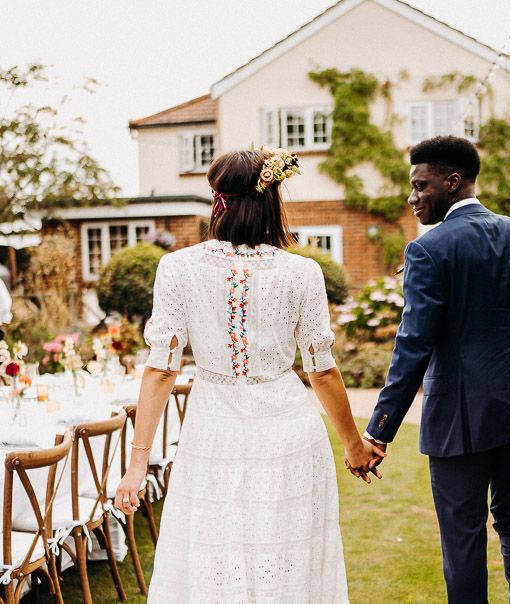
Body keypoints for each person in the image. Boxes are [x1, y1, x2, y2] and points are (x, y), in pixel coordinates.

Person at [115, 148, 384, 603]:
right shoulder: (302, 272)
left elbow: (162, 368)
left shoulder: (177, 267)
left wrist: (137, 463)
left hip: (215, 431)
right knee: (288, 558)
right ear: (271, 200)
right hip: (286, 433)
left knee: (213, 556)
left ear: (217, 199)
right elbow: (321, 370)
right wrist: (353, 444)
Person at [364, 136, 510, 604]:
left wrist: (380, 430)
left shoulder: (428, 249)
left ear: (452, 181)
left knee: (463, 538)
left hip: (458, 420)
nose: (413, 197)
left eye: (420, 186)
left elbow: (413, 344)